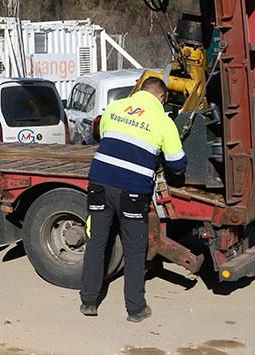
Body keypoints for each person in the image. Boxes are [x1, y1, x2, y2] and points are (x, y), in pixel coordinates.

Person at [79, 77, 186, 323]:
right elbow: (177, 163)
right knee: (135, 249)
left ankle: (88, 302)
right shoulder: (163, 121)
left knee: (97, 242)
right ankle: (135, 309)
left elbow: (104, 136)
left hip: (99, 182)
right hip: (133, 190)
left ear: (140, 91)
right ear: (161, 98)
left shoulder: (115, 108)